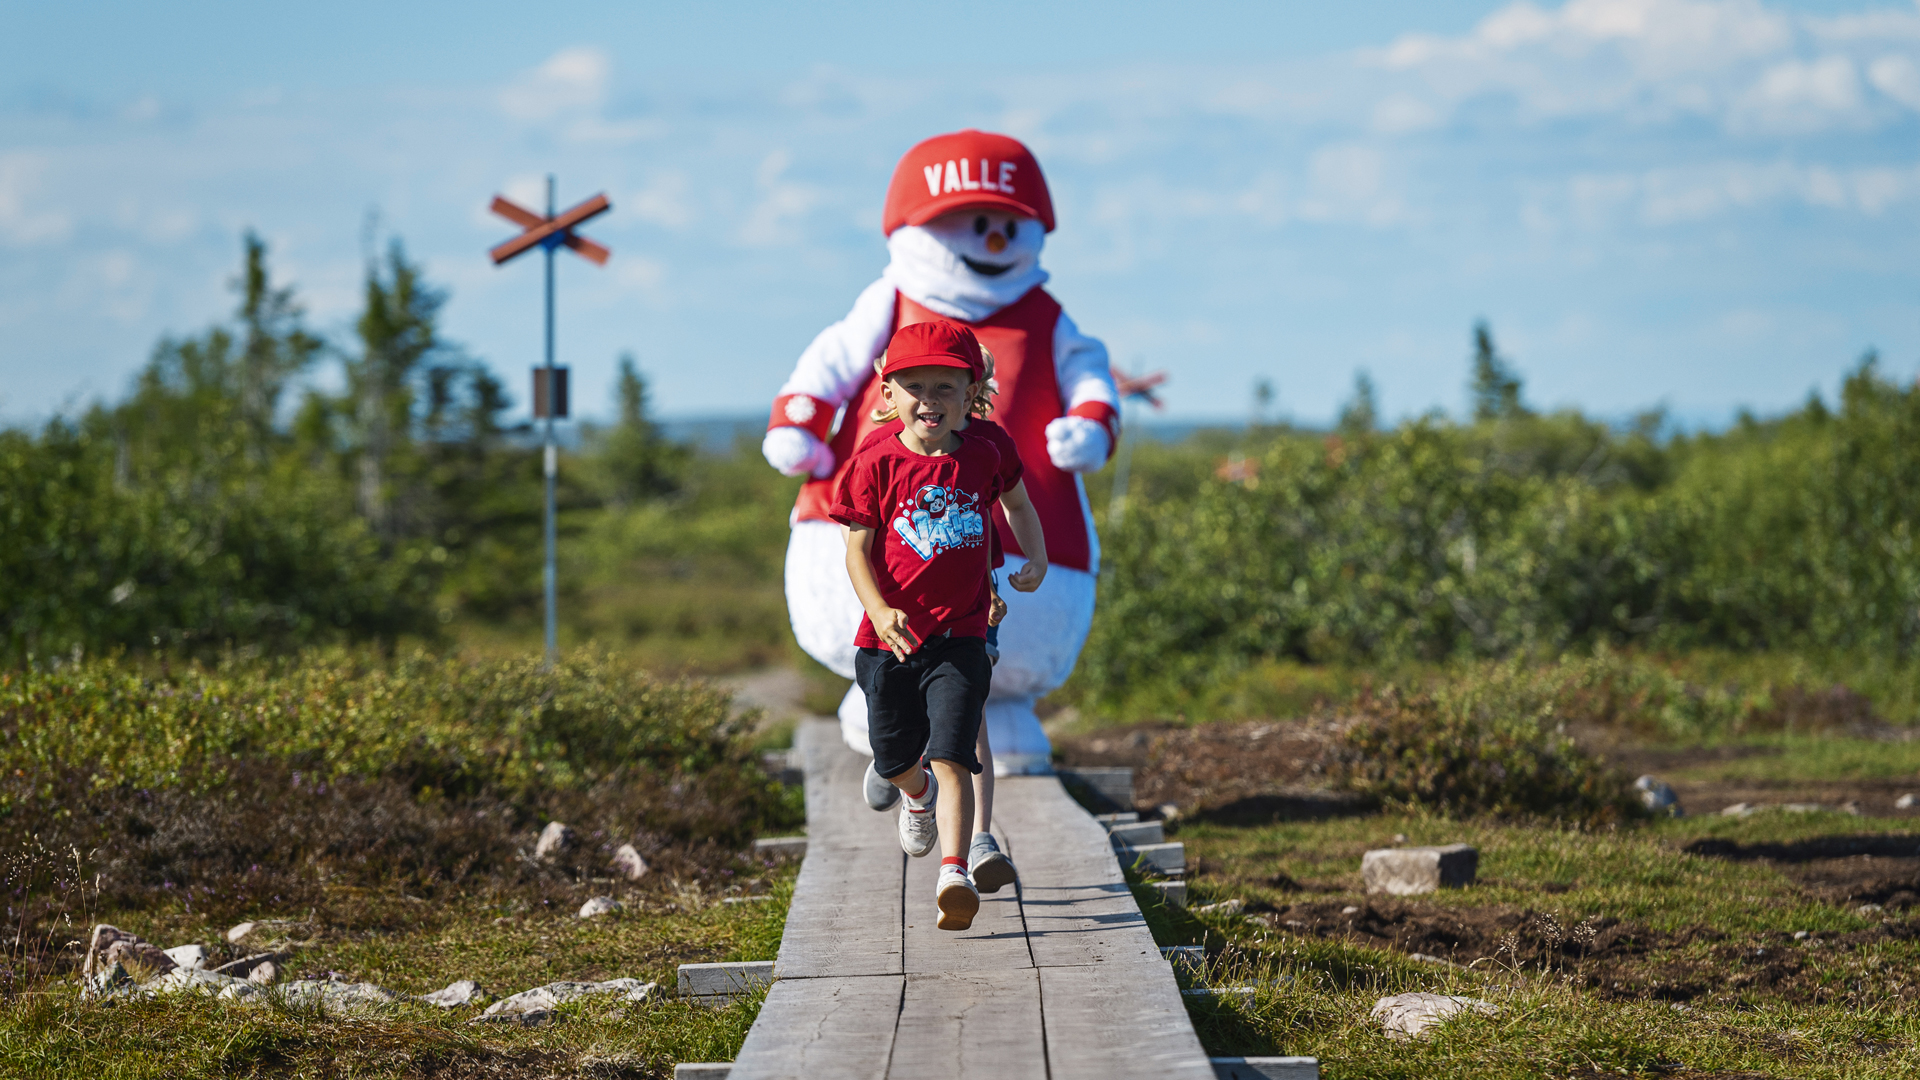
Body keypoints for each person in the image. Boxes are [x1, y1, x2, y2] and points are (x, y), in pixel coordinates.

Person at [764, 129, 1118, 777]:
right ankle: (890, 720)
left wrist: (1091, 425)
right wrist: (799, 423)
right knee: (898, 650)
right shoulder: (890, 302)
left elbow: (1089, 374)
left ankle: (984, 728)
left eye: (1005, 226)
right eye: (972, 225)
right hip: (884, 518)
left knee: (979, 651)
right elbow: (831, 361)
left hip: (1017, 535)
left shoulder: (1044, 319)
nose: (991, 242)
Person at [832, 320, 1046, 930]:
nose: (930, 400)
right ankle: (915, 792)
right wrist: (879, 610)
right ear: (889, 392)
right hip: (891, 641)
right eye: (915, 387)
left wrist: (1036, 556)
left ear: (970, 391)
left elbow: (1017, 504)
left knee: (956, 749)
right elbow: (855, 551)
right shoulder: (874, 462)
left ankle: (956, 870)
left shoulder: (987, 449)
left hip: (963, 633)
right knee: (895, 759)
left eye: (946, 387)